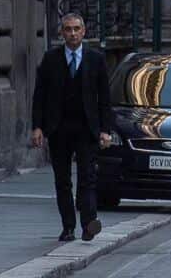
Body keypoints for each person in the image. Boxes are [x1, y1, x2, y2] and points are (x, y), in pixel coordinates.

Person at [31, 13, 113, 243]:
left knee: (87, 177)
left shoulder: (96, 59)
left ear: (84, 32)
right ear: (62, 33)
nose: (73, 33)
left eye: (77, 29)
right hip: (59, 128)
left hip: (87, 128)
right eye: (68, 29)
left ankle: (89, 223)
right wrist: (37, 127)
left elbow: (104, 99)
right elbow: (40, 96)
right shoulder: (51, 59)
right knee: (63, 180)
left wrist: (105, 130)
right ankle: (68, 227)